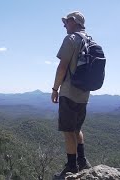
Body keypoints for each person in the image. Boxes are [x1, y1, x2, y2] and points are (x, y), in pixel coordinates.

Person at [51, 11, 92, 177]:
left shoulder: (71, 39)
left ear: (74, 22)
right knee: (77, 128)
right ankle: (82, 161)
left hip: (69, 92)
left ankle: (71, 166)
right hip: (84, 93)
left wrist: (55, 89)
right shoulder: (89, 40)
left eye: (66, 22)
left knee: (68, 131)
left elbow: (62, 67)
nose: (64, 25)